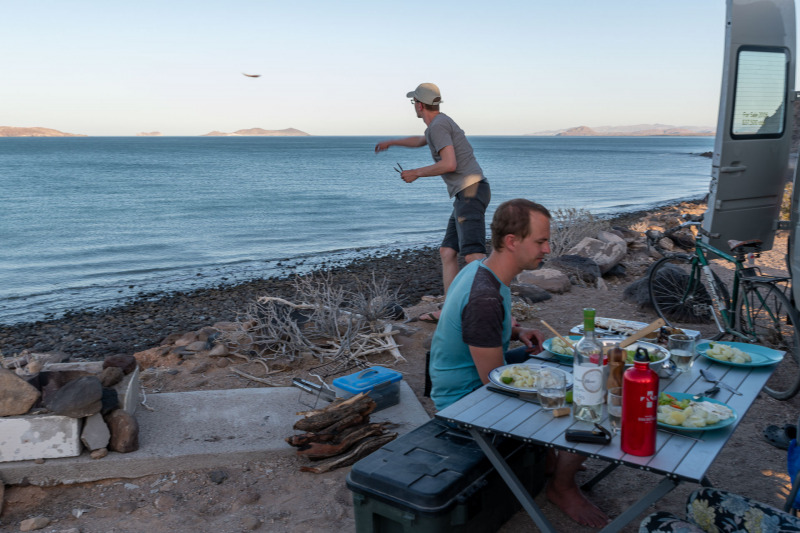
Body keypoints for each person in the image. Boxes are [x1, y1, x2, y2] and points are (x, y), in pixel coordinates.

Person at [429, 198, 610, 528]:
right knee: (589, 395)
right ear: (512, 241)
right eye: (540, 241)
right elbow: (495, 384)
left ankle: (552, 459)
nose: (547, 248)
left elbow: (480, 332)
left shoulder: (481, 269)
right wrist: (562, 387)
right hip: (463, 404)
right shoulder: (484, 297)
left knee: (556, 364)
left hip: (470, 378)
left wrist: (518, 332)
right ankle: (562, 487)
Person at [375, 83, 490, 322]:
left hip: (470, 191)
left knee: (473, 256)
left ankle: (489, 308)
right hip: (465, 193)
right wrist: (393, 142)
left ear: (418, 104)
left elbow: (450, 164)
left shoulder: (438, 126)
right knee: (447, 251)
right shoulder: (436, 125)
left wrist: (416, 172)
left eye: (413, 103)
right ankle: (450, 310)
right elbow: (420, 140)